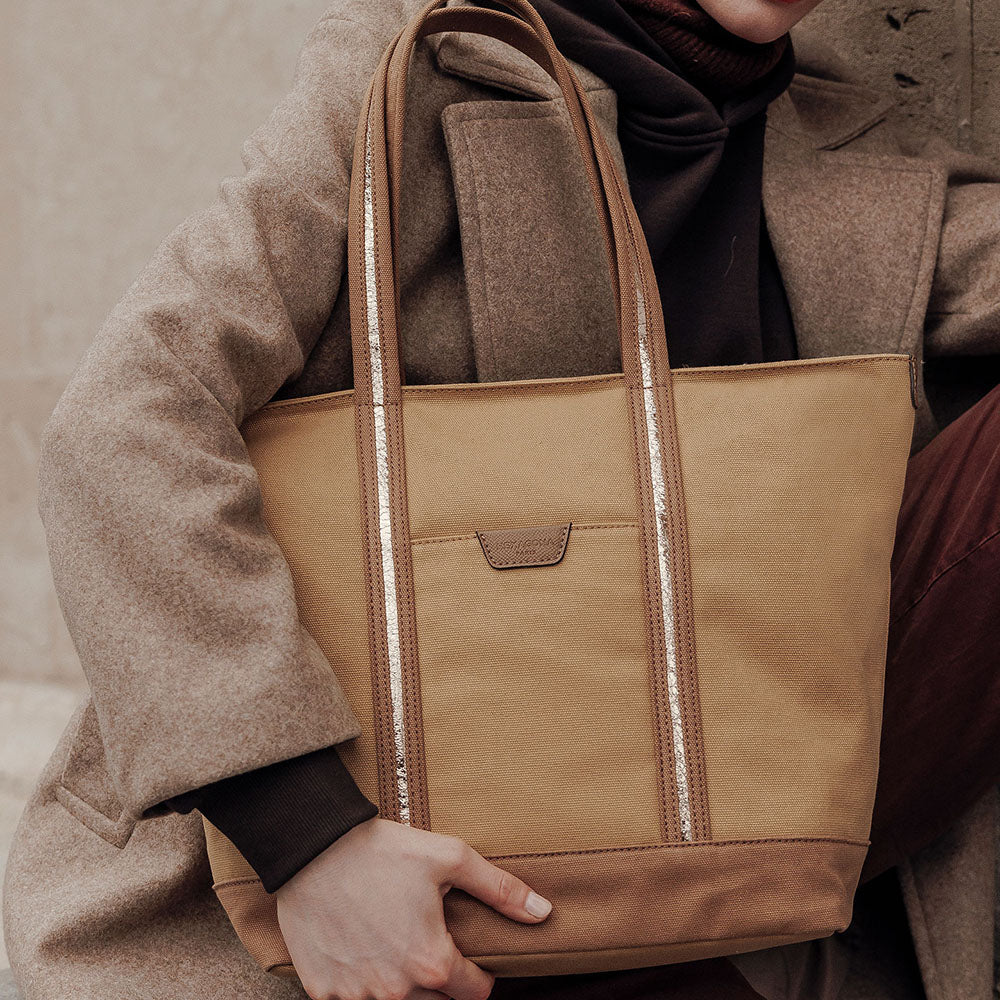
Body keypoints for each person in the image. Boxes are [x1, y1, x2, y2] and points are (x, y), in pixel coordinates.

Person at [4, 0, 999, 998]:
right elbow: (127, 420)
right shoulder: (417, 68)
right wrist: (309, 840)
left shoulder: (840, 136)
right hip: (404, 866)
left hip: (726, 830)